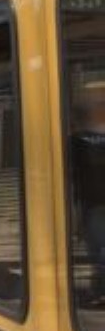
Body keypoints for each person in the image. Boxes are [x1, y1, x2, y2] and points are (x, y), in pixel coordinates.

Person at [71, 80, 105, 307]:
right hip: (92, 203)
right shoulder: (84, 139)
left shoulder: (78, 140)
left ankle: (99, 290)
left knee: (98, 248)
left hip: (93, 204)